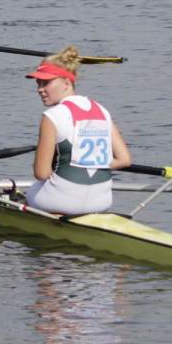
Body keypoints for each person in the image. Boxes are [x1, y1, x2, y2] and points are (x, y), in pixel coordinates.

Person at [23, 46, 131, 216]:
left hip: (62, 202)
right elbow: (124, 160)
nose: (40, 89)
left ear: (66, 83)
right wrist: (92, 163)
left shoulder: (52, 116)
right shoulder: (102, 110)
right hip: (102, 203)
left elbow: (41, 173)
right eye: (38, 83)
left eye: (46, 82)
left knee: (30, 192)